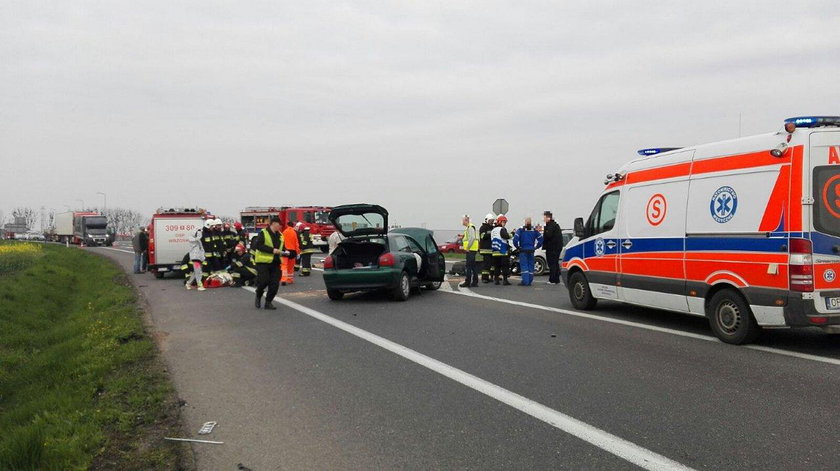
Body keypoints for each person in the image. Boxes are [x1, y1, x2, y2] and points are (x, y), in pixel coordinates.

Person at [253, 217, 286, 310]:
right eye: (279, 225)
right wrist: (272, 250)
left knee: (275, 284)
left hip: (275, 262)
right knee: (264, 281)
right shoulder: (263, 233)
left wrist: (287, 252)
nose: (280, 227)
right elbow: (258, 246)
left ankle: (268, 302)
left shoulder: (280, 235)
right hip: (263, 262)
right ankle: (258, 294)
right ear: (274, 224)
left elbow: (283, 248)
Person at [513, 217, 543, 286]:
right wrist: (536, 247)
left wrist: (517, 247)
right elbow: (541, 239)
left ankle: (525, 281)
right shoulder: (534, 231)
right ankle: (529, 281)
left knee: (524, 266)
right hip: (531, 250)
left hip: (523, 250)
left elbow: (515, 240)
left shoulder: (521, 230)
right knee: (530, 265)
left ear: (525, 222)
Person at [491, 215, 512, 285]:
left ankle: (496, 280)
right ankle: (505, 280)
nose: (505, 223)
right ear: (500, 222)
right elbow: (506, 236)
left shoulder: (493, 230)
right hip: (502, 251)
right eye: (504, 222)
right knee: (504, 266)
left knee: (496, 266)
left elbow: (492, 239)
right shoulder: (502, 229)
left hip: (495, 251)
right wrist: (512, 234)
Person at [460, 215, 480, 287]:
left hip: (471, 250)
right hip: (472, 249)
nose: (462, 222)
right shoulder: (470, 227)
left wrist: (468, 247)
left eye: (463, 220)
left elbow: (472, 238)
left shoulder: (470, 227)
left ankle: (467, 282)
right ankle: (475, 282)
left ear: (466, 220)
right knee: (473, 266)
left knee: (468, 266)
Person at [543, 211, 562, 284]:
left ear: (548, 217)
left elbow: (548, 235)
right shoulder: (555, 225)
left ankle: (552, 279)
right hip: (556, 247)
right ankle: (556, 279)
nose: (543, 219)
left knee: (552, 264)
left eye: (544, 217)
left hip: (552, 248)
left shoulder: (550, 226)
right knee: (555, 263)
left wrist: (545, 229)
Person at [185, 224, 206, 291]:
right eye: (199, 232)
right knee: (198, 271)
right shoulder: (192, 240)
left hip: (199, 259)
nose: (200, 233)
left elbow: (202, 250)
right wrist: (199, 232)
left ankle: (188, 283)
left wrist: (203, 258)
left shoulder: (199, 241)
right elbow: (197, 239)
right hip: (195, 259)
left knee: (196, 272)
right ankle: (200, 285)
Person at [479, 213, 495, 283]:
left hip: (491, 249)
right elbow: (483, 236)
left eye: (492, 220)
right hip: (485, 249)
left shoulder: (493, 228)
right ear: (486, 220)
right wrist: (491, 233)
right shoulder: (483, 227)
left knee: (492, 264)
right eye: (490, 220)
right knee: (486, 264)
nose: (492, 222)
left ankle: (490, 276)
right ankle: (484, 278)